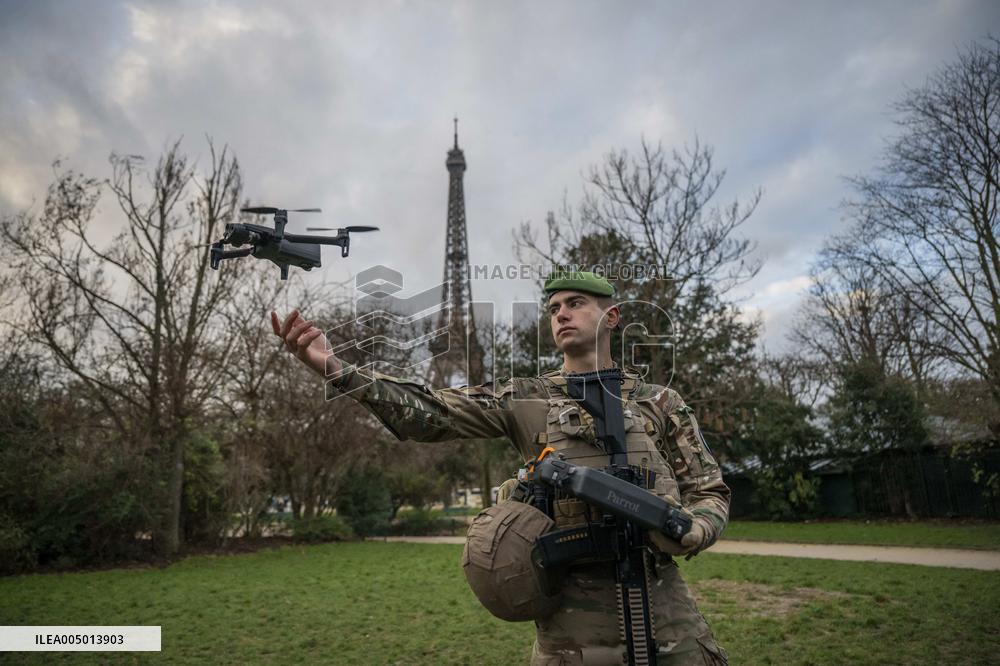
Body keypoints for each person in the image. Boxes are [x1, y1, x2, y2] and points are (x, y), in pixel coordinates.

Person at [272, 271, 729, 665]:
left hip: (666, 609)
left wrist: (695, 529)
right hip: (572, 626)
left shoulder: (661, 402)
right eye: (553, 308)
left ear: (611, 317)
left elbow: (710, 490)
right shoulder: (526, 397)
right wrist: (335, 367)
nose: (561, 314)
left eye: (576, 304)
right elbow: (432, 411)